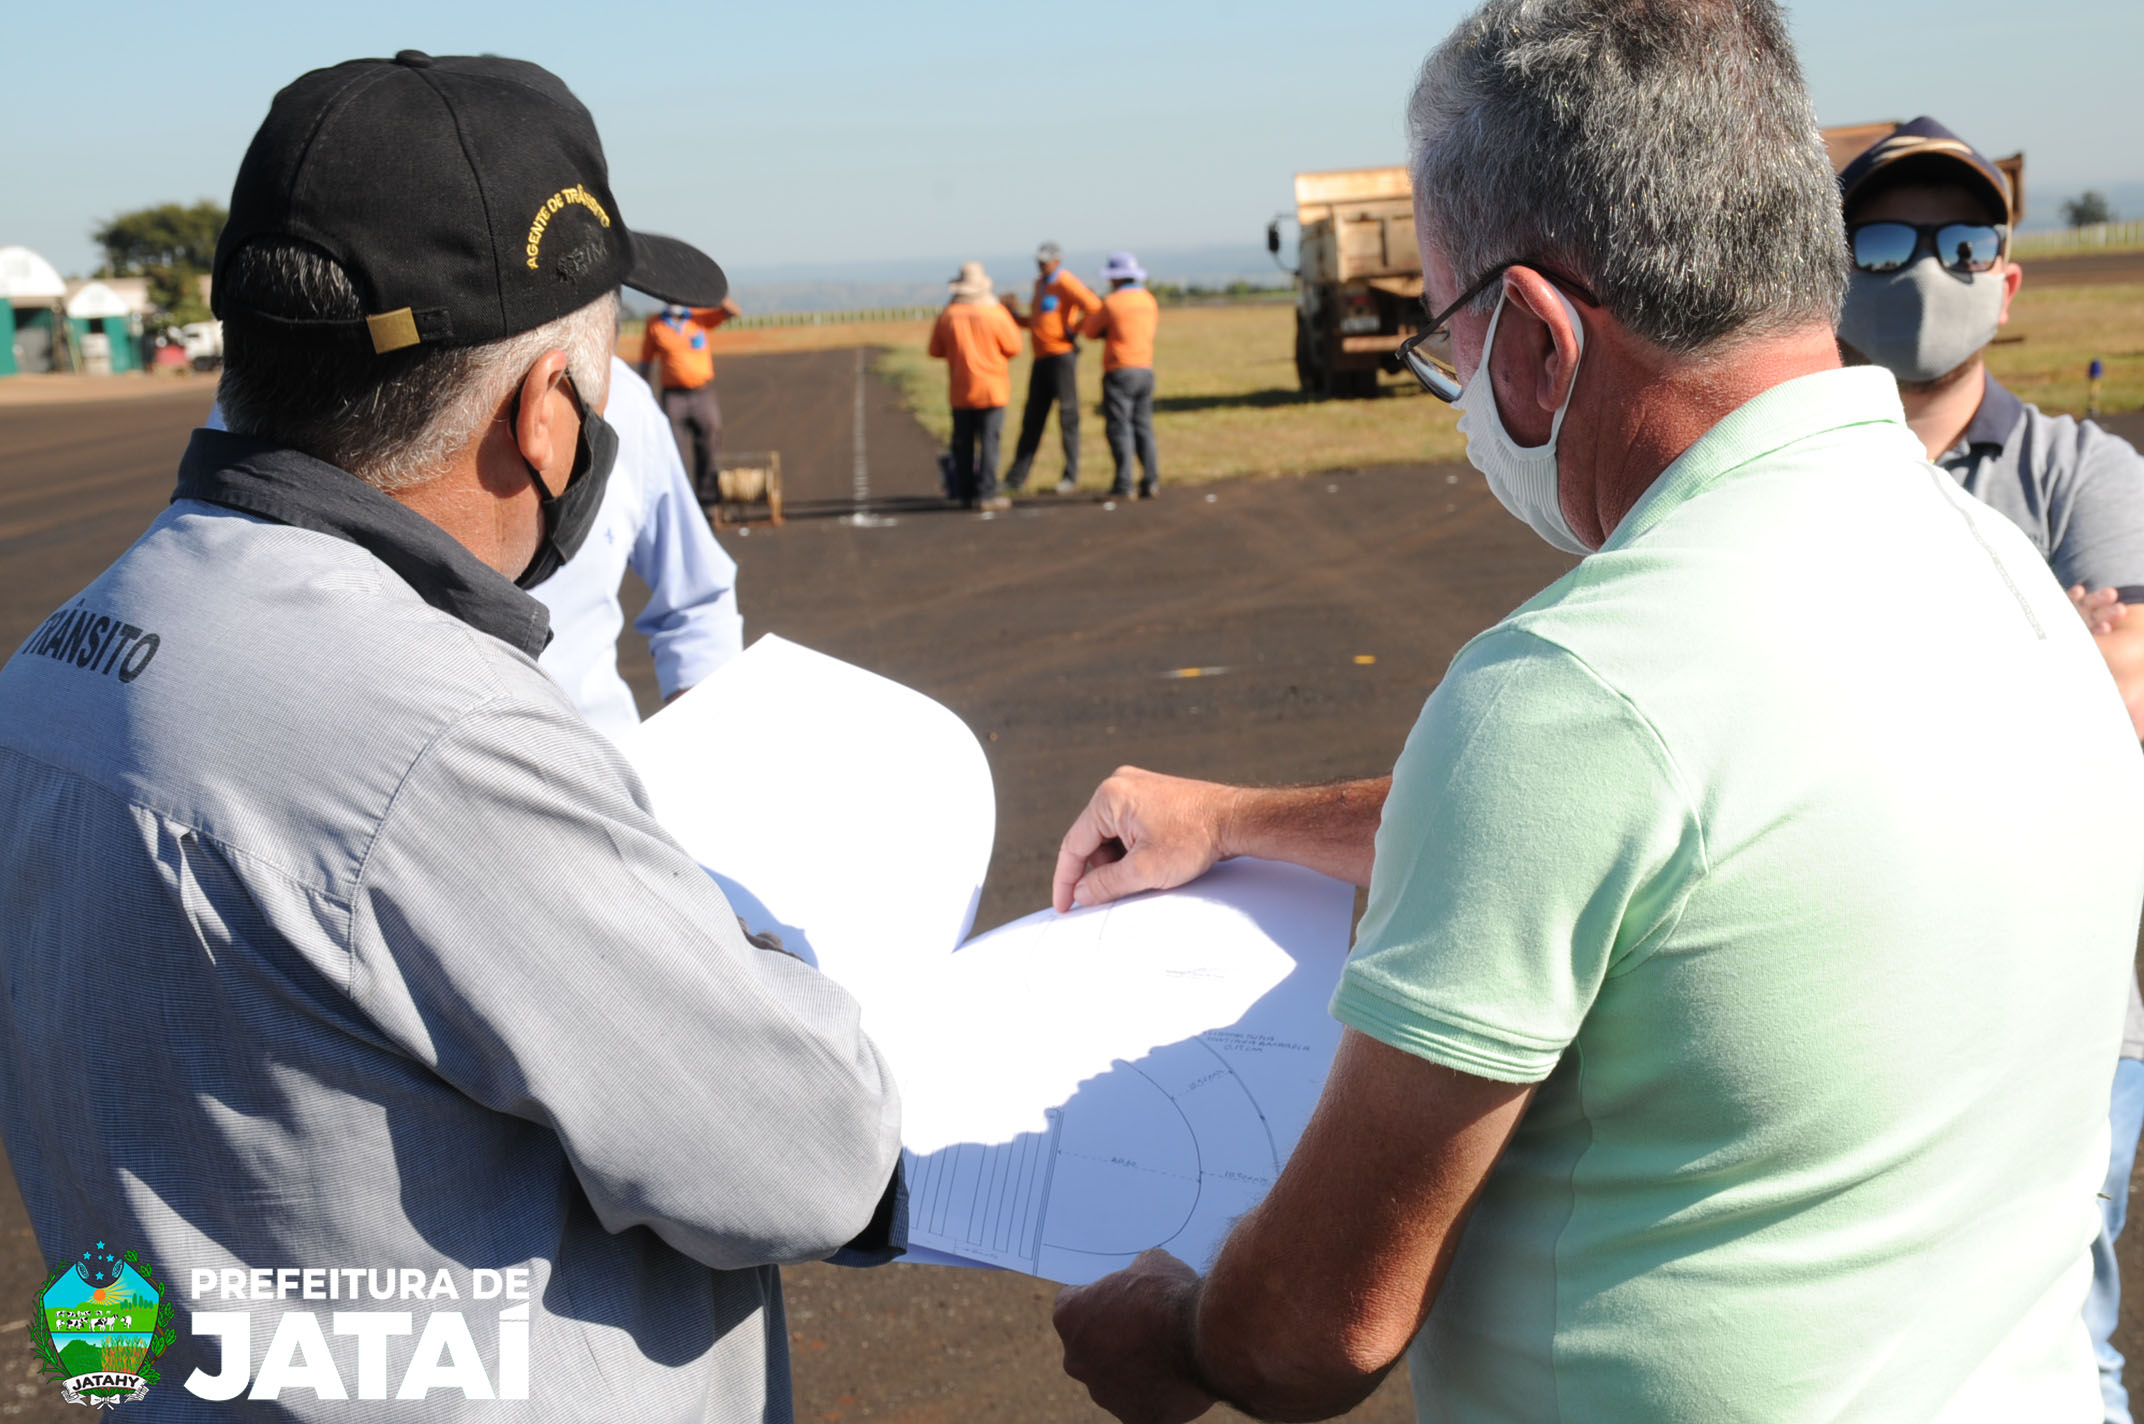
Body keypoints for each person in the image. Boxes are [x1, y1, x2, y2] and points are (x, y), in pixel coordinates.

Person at [1046, 2, 2144, 1420]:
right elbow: (1712, 834)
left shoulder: (1570, 691)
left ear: (1539, 339)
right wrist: (1241, 820)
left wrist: (1184, 1331)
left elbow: (1317, 1329)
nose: (1455, 393)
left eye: (1448, 342)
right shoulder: (2012, 576)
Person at [0, 51, 901, 1421]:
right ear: (546, 415)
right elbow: (811, 1153)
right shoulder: (440, 736)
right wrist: (751, 952)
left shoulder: (58, 659)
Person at [1837, 116, 2144, 1424]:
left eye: (1964, 241)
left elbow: (2121, 706)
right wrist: (2043, 658)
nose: (1929, 269)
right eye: (1887, 239)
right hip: (1842, 1019)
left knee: (2055, 1350)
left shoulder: (2089, 471)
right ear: (1827, 272)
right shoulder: (1767, 486)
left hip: (2063, 1023)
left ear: (2008, 282)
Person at [201, 354, 745, 742]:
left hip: (607, 802)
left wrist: (697, 760)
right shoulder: (266, 408)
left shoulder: (622, 400)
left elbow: (698, 600)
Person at [1002, 241, 1102, 495]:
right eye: (1039, 260)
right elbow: (1039, 321)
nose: (1041, 264)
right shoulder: (1041, 284)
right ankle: (1016, 478)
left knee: (1068, 417)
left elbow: (1093, 307)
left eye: (1045, 260)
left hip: (1061, 358)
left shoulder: (1065, 282)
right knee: (1032, 417)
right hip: (1041, 358)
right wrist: (1016, 318)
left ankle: (1070, 476)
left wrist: (1074, 330)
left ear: (1057, 260)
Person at [927, 261, 1022, 512]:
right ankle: (988, 493)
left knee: (964, 443)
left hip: (961, 390)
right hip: (992, 388)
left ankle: (966, 493)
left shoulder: (948, 315)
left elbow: (935, 349)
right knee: (990, 442)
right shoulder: (996, 313)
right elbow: (1014, 347)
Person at [640, 296, 741, 506]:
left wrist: (708, 289)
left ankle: (707, 501)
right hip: (673, 397)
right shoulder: (655, 324)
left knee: (709, 442)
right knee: (673, 449)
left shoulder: (698, 318)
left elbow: (733, 312)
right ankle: (680, 503)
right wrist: (643, 395)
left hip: (702, 394)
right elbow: (646, 362)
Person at [1082, 251, 1160, 499]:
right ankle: (1151, 479)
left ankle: (1124, 483)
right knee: (1143, 427)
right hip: (1145, 369)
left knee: (1119, 428)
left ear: (1116, 278)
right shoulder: (1148, 300)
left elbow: (1091, 331)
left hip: (1119, 370)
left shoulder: (1113, 302)